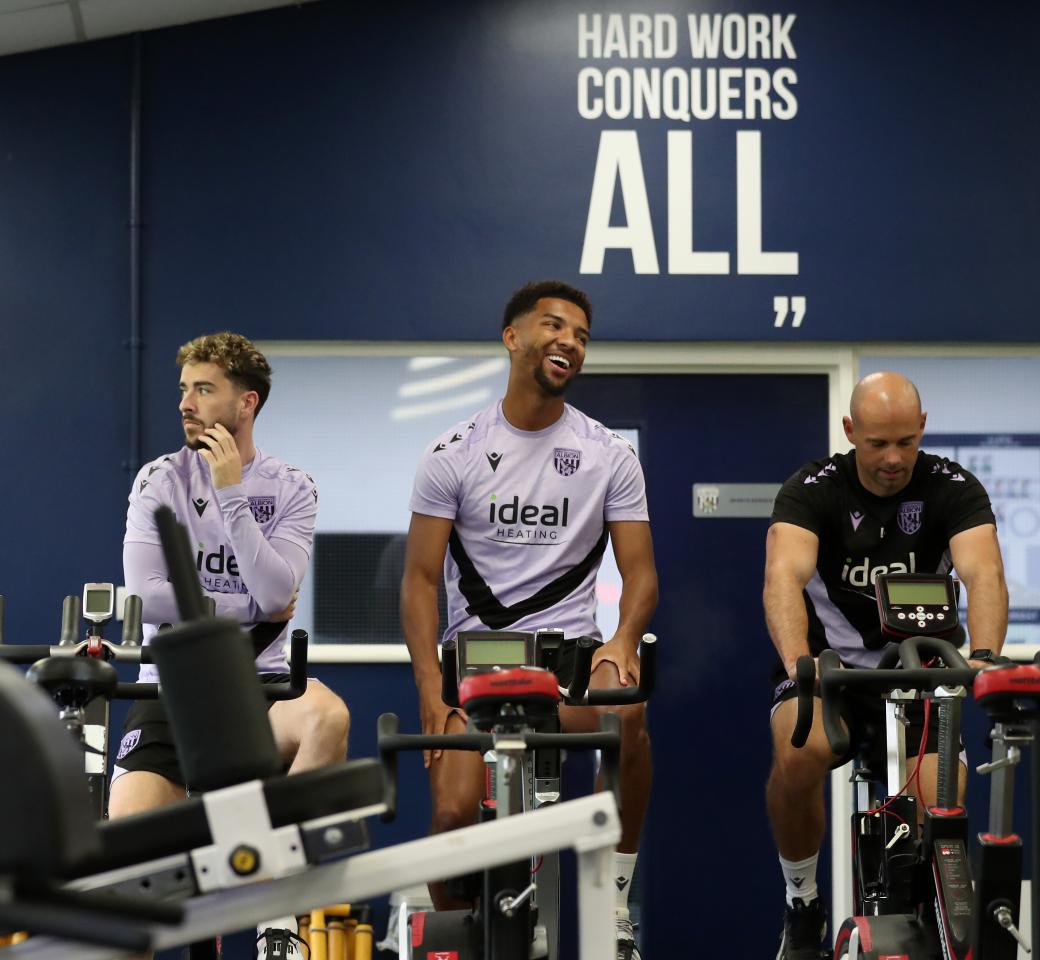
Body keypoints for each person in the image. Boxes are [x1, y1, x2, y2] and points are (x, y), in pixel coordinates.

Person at [400, 280, 659, 960]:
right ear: (512, 337)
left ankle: (617, 902)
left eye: (580, 334)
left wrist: (622, 640)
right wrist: (431, 689)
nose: (569, 341)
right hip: (475, 668)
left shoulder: (609, 455)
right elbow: (420, 580)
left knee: (627, 715)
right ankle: (470, 934)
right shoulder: (451, 451)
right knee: (454, 820)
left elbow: (642, 575)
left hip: (566, 665)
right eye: (553, 326)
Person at [764, 371, 1008, 960]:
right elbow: (783, 578)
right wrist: (801, 663)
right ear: (851, 432)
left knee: (941, 797)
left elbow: (985, 574)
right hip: (833, 674)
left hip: (925, 674)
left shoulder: (953, 486)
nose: (894, 458)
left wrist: (984, 659)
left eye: (906, 441)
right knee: (796, 750)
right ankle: (803, 901)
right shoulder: (813, 488)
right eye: (877, 444)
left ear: (922, 428)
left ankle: (926, 911)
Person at [110, 331, 350, 817]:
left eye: (203, 389)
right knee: (130, 844)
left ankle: (277, 859)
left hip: (261, 686)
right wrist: (246, 605)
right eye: (183, 389)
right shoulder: (160, 479)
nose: (185, 403)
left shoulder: (293, 487)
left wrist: (230, 493)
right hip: (170, 688)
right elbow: (145, 599)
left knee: (329, 717)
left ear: (247, 403)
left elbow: (278, 589)